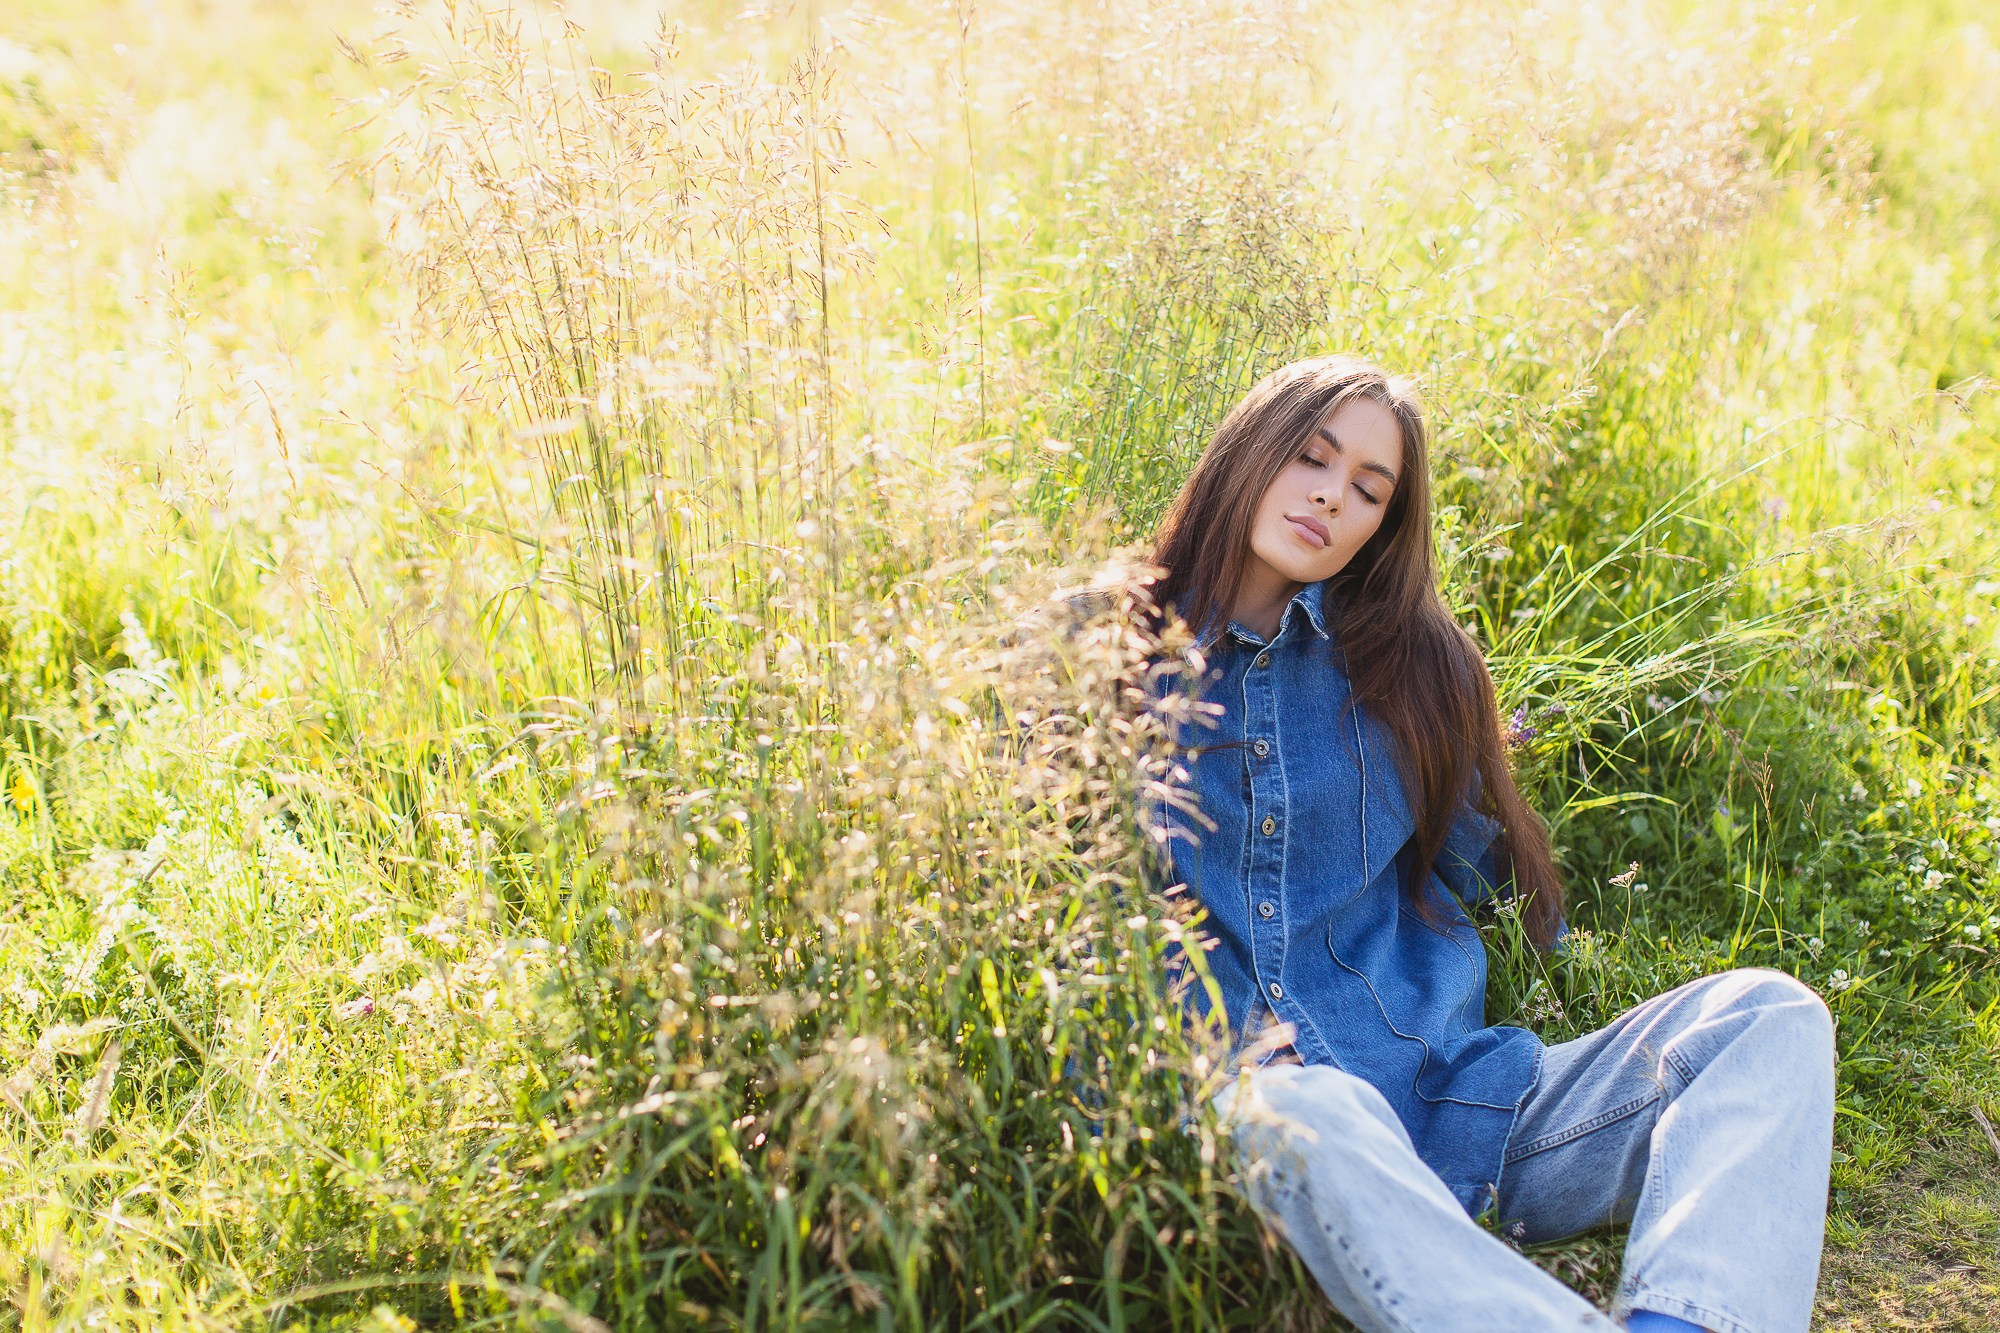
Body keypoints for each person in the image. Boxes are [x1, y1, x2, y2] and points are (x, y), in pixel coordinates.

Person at [1136, 355, 1836, 1333]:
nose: (1330, 496)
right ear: (1250, 447)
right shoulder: (1108, 651)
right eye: (1310, 457)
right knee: (1306, 1110)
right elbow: (1068, 921)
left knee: (1765, 1017)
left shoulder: (1408, 666)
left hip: (1450, 1101)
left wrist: (1566, 964)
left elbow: (1490, 873)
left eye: (1367, 489)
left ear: (1383, 522)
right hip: (1275, 1133)